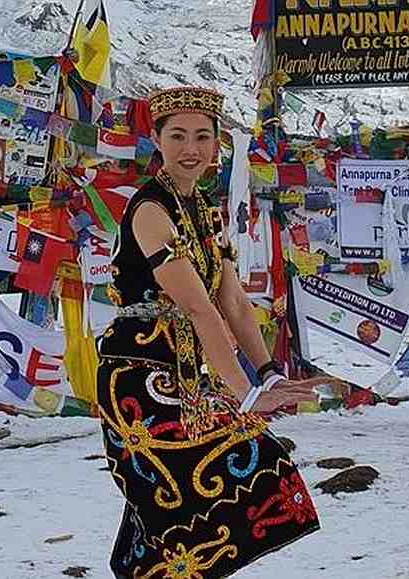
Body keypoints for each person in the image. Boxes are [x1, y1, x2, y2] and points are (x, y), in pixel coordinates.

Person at [97, 86, 332, 578]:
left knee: (170, 511)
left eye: (202, 136)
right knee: (234, 475)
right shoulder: (150, 210)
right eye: (178, 135)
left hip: (186, 376)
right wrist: (244, 395)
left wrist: (267, 373)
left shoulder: (204, 210)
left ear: (216, 144)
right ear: (157, 140)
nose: (191, 149)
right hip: (139, 380)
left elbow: (235, 305)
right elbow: (201, 311)